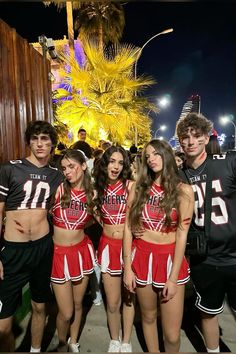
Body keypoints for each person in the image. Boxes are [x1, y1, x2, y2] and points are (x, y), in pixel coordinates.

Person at [123, 139, 194, 353]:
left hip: (170, 260)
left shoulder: (184, 191)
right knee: (148, 317)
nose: (152, 159)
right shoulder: (138, 188)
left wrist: (173, 278)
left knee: (172, 336)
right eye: (147, 156)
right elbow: (128, 227)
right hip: (143, 257)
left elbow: (182, 235)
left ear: (167, 155)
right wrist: (127, 267)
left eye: (156, 154)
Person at [0, 120, 63, 352]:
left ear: (52, 144)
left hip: (42, 249)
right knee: (3, 327)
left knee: (39, 307)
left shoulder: (56, 176)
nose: (39, 144)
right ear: (28, 141)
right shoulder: (9, 169)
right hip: (12, 252)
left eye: (44, 139)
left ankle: (35, 349)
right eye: (35, 138)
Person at [176, 112, 236, 353]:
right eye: (185, 137)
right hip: (204, 257)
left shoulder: (227, 162)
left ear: (205, 138)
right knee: (208, 312)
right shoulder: (179, 176)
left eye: (196, 136)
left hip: (234, 255)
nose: (190, 141)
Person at [51, 149, 97, 352]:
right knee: (66, 311)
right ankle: (61, 344)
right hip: (58, 254)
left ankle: (73, 341)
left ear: (84, 165)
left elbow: (99, 219)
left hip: (80, 252)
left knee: (78, 305)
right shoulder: (59, 189)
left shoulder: (93, 193)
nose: (67, 172)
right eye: (64, 168)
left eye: (71, 166)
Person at [93, 146, 135, 353]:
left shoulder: (131, 186)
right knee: (112, 301)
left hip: (130, 247)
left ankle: (126, 340)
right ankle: (114, 339)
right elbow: (95, 214)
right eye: (112, 161)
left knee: (129, 298)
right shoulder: (97, 188)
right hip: (108, 246)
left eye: (120, 162)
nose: (116, 166)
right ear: (105, 163)